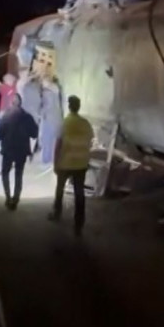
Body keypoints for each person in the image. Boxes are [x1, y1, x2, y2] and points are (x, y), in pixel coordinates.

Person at [49, 95, 94, 236]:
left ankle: (57, 213)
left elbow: (58, 145)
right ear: (79, 107)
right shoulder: (86, 123)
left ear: (69, 106)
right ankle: (79, 223)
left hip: (66, 162)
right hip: (81, 163)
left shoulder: (65, 123)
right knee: (79, 193)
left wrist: (55, 163)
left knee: (60, 188)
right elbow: (90, 141)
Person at [0, 94, 38, 210]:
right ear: (21, 103)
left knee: (5, 172)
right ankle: (15, 199)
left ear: (11, 103)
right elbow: (34, 133)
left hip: (8, 149)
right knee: (19, 174)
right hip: (21, 150)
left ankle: (8, 197)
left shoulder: (6, 116)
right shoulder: (27, 117)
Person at [39, 77, 63, 165]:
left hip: (49, 118)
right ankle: (51, 159)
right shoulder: (56, 91)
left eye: (43, 82)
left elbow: (46, 106)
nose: (42, 84)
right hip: (54, 118)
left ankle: (46, 159)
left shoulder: (48, 92)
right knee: (52, 140)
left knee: (46, 139)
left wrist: (41, 112)